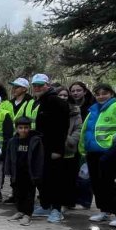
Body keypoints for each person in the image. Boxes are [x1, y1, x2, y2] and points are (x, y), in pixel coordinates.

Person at [81, 83, 116, 227]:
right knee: (97, 183)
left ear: (111, 94)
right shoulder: (93, 109)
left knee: (107, 181)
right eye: (98, 94)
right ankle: (104, 210)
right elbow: (87, 130)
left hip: (109, 151)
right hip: (93, 151)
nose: (101, 96)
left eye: (104, 93)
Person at [28, 74, 70, 222]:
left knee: (55, 179)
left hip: (53, 149)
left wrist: (58, 150)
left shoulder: (57, 102)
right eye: (35, 85)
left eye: (40, 85)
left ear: (48, 85)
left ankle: (56, 210)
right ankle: (45, 205)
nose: (37, 88)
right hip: (40, 148)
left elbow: (62, 128)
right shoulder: (38, 102)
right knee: (42, 178)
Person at [4, 117, 43, 226]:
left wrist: (37, 174)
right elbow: (8, 157)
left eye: (26, 127)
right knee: (17, 193)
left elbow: (39, 158)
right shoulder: (12, 141)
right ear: (16, 128)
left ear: (30, 128)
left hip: (29, 173)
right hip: (17, 172)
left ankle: (28, 214)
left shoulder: (35, 141)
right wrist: (8, 171)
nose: (23, 130)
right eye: (20, 128)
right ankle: (20, 211)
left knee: (29, 194)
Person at [57, 87, 83, 212]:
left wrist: (70, 140)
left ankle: (66, 203)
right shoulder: (49, 109)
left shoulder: (75, 111)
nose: (63, 97)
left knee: (68, 178)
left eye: (65, 95)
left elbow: (79, 129)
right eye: (60, 95)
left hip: (69, 149)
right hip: (53, 150)